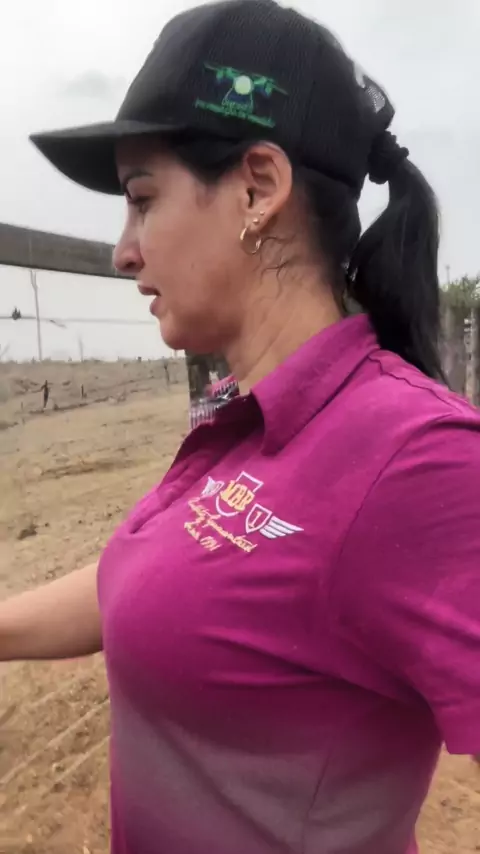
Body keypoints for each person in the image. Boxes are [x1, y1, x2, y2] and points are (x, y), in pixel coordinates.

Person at [2, 2, 480, 852]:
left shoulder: (416, 458)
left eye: (142, 200)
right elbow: (141, 582)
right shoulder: (248, 417)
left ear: (257, 188)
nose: (123, 250)